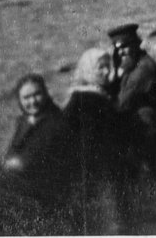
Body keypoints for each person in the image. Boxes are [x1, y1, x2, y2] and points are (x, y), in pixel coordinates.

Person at [63, 47, 140, 235]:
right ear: (88, 70)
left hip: (102, 173)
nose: (107, 72)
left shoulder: (91, 95)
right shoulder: (88, 101)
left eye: (108, 67)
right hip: (101, 175)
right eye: (100, 68)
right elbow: (96, 141)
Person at [0, 73, 67, 218]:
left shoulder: (55, 121)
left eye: (37, 94)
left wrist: (15, 164)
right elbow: (12, 151)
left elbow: (38, 157)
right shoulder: (24, 121)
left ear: (45, 93)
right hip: (22, 188)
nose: (33, 102)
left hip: (47, 194)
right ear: (20, 100)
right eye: (26, 98)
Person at [108, 23, 156, 125]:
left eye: (124, 47)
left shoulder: (143, 69)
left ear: (135, 44)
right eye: (117, 49)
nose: (120, 53)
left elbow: (121, 104)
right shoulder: (132, 64)